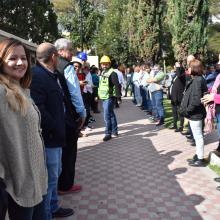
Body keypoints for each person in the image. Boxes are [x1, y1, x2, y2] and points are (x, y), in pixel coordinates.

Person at [0, 38, 47, 220]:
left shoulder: (21, 89)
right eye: (13, 58)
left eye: (24, 58)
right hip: (17, 190)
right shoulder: (1, 92)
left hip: (35, 185)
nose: (20, 63)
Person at [30, 43, 74, 219]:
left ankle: (54, 207)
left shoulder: (49, 74)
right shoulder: (38, 75)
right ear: (54, 56)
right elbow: (39, 108)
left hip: (56, 136)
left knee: (55, 175)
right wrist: (56, 126)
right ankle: (48, 214)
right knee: (50, 180)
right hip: (49, 138)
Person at [54, 38, 84, 195]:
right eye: (69, 50)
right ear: (60, 51)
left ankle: (59, 183)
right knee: (69, 152)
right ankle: (66, 185)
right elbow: (75, 92)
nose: (72, 53)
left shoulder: (51, 65)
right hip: (68, 116)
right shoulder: (67, 67)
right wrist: (82, 112)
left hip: (56, 115)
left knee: (59, 152)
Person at [180, 60, 208, 167]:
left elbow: (196, 100)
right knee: (197, 136)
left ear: (193, 69)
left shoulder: (198, 80)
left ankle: (200, 159)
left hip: (195, 114)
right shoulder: (197, 79)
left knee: (198, 136)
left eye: (189, 67)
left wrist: (187, 111)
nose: (188, 69)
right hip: (195, 113)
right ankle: (198, 155)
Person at [98, 55, 121, 141]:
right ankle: (115, 131)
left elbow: (117, 85)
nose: (104, 66)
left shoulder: (113, 73)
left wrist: (118, 98)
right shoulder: (103, 72)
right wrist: (98, 95)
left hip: (110, 97)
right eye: (103, 64)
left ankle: (108, 133)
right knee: (110, 114)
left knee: (106, 115)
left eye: (106, 64)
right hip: (104, 97)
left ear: (109, 64)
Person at [169, 62, 186, 132]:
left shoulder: (182, 75)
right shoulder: (176, 75)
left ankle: (181, 126)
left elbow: (179, 75)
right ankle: (174, 124)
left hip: (179, 97)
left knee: (180, 112)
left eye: (176, 66)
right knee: (174, 111)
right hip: (174, 97)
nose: (175, 67)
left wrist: (178, 66)